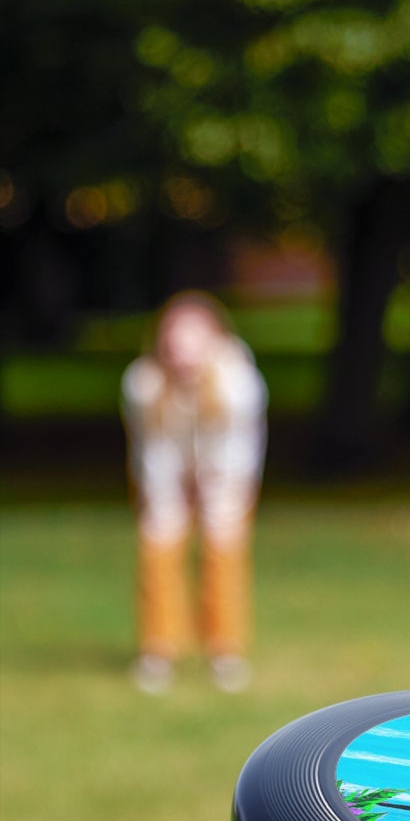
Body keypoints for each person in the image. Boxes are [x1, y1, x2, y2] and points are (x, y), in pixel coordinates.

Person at [121, 291, 268, 694]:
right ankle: (158, 650)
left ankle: (225, 652)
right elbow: (152, 450)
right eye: (174, 340)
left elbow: (239, 450)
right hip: (165, 474)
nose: (182, 351)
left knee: (223, 551)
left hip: (226, 475)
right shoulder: (143, 383)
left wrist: (215, 493)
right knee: (158, 546)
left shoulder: (239, 383)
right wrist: (168, 498)